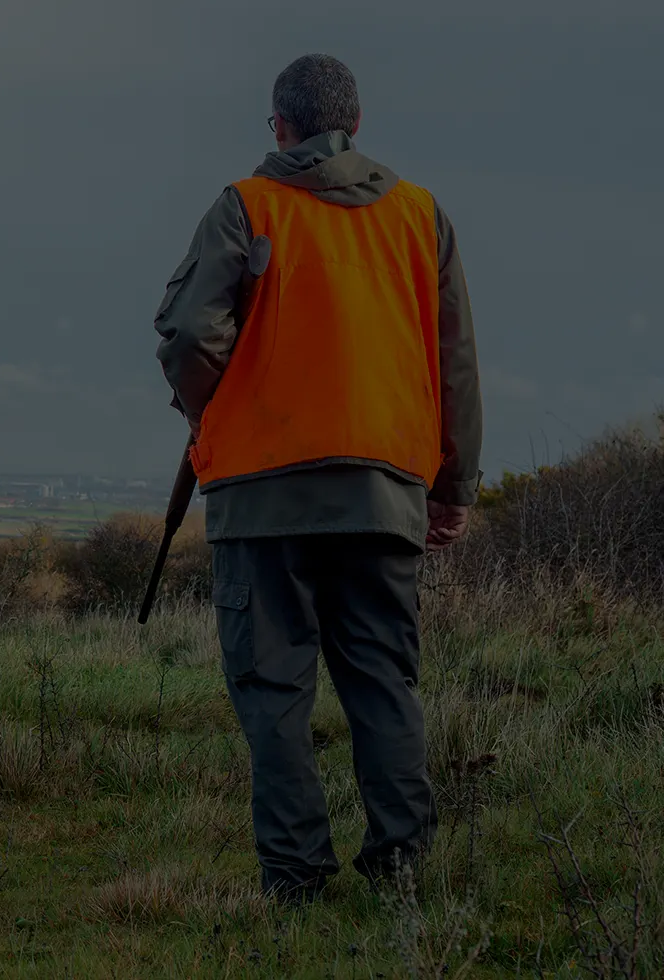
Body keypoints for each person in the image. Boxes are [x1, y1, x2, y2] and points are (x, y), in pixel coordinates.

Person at [152, 54, 482, 904]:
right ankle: (402, 871)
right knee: (383, 683)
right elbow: (456, 366)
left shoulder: (245, 207)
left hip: (263, 498)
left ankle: (296, 883)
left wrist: (208, 414)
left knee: (272, 693)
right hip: (385, 493)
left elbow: (190, 336)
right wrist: (451, 490)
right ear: (358, 124)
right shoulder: (420, 215)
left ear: (280, 127)